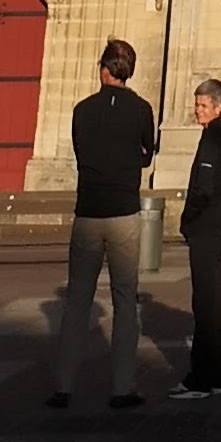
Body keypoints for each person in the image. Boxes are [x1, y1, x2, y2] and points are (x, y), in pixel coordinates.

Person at [49, 37, 159, 410]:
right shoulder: (141, 109)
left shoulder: (82, 110)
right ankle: (122, 387)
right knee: (125, 299)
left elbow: (80, 151)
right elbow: (147, 154)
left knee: (77, 299)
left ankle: (64, 386)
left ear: (103, 69)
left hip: (89, 212)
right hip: (123, 211)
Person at [168, 78, 221, 401]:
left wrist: (187, 220)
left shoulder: (212, 137)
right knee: (213, 302)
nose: (198, 110)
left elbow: (203, 188)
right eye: (197, 104)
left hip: (207, 228)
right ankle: (216, 375)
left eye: (204, 105)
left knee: (204, 304)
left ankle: (201, 379)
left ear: (219, 107)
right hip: (219, 227)